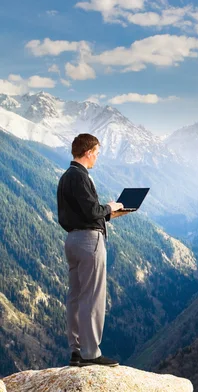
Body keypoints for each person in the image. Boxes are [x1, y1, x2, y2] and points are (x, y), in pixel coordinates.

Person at [57, 134, 129, 367]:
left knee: (75, 297)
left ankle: (76, 351)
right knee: (92, 296)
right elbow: (90, 211)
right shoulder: (81, 177)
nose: (97, 157)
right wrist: (111, 207)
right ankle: (91, 353)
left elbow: (78, 213)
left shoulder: (66, 177)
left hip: (72, 240)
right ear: (88, 152)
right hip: (89, 241)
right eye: (96, 153)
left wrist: (107, 215)